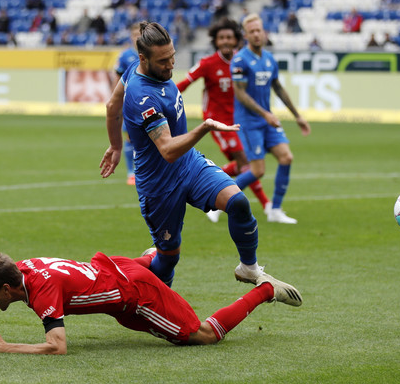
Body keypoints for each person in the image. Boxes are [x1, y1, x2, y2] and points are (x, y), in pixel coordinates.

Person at [100, 22, 300, 291]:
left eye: (172, 57)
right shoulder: (142, 96)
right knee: (169, 259)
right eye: (164, 61)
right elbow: (168, 150)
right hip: (159, 186)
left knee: (238, 203)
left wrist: (114, 146)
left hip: (190, 165)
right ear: (143, 59)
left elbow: (112, 104)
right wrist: (204, 127)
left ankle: (249, 268)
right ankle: (157, 300)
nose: (171, 65)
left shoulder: (135, 70)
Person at [0, 250, 301, 354]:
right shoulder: (20, 270)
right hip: (114, 271)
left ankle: (264, 288)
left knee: (201, 336)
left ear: (8, 289)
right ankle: (155, 259)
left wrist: (7, 347)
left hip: (133, 294)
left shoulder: (41, 292)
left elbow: (57, 347)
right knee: (146, 280)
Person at [176, 18, 270, 223]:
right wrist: (163, 97)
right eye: (221, 38)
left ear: (237, 40)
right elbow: (183, 84)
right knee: (247, 162)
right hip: (216, 122)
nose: (226, 41)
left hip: (239, 121)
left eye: (229, 37)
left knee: (241, 164)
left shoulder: (242, 62)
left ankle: (203, 183)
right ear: (215, 41)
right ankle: (267, 204)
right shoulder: (207, 63)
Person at [231, 13, 310, 224]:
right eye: (252, 32)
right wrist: (266, 113)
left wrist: (297, 116)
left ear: (264, 33)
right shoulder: (239, 60)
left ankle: (275, 210)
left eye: (259, 30)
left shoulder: (269, 59)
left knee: (286, 157)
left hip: (267, 120)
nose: (257, 35)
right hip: (249, 121)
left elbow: (278, 88)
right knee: (258, 171)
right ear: (246, 36)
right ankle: (221, 197)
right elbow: (240, 93)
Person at [114, 22, 141, 185]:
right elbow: (117, 78)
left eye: (140, 34)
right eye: (134, 34)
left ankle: (146, 170)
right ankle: (131, 172)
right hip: (129, 103)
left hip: (149, 101)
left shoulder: (153, 54)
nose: (137, 37)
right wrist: (115, 99)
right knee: (130, 137)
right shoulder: (125, 56)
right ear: (130, 36)